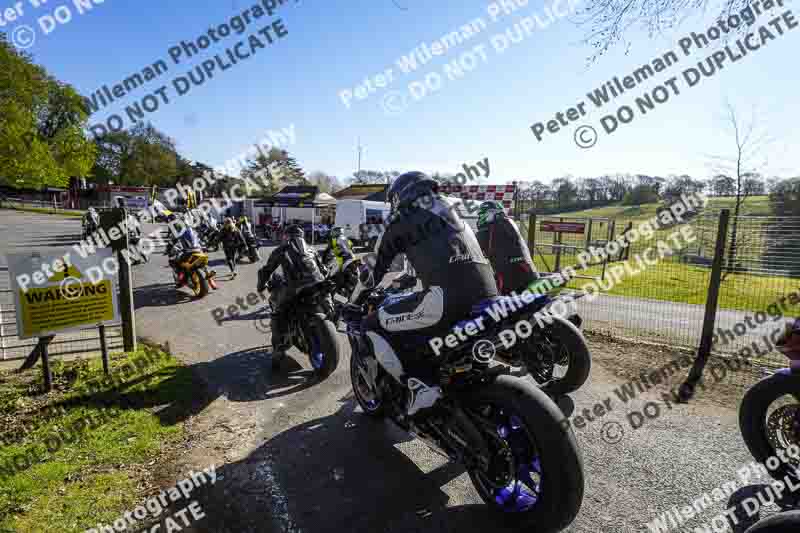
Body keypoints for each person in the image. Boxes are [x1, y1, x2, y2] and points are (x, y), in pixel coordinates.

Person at [361, 171, 498, 415]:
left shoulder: (402, 218)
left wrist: (354, 299)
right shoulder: (453, 209)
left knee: (372, 323)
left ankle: (420, 385)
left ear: (400, 196)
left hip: (447, 300)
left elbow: (372, 271)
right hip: (489, 295)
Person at [256, 225, 327, 367]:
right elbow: (324, 269)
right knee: (325, 302)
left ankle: (278, 351)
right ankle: (328, 321)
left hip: (294, 288)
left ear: (287, 236)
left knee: (277, 313)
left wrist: (260, 286)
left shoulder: (282, 249)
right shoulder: (311, 249)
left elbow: (267, 270)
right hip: (318, 284)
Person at [476, 200, 540, 295]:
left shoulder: (487, 230)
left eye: (480, 215)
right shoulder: (508, 223)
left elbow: (476, 252)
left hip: (508, 276)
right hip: (527, 270)